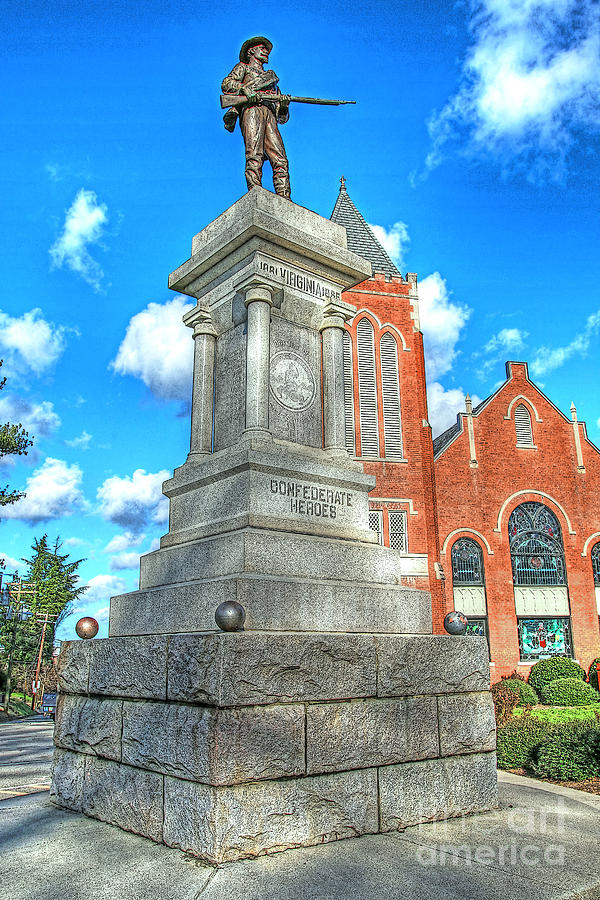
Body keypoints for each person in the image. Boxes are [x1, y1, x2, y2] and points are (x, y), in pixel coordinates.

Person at [221, 36, 291, 198]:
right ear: (251, 51)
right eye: (262, 48)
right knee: (254, 154)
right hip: (252, 110)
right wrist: (245, 89)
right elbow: (226, 84)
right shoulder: (243, 68)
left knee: (280, 158)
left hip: (270, 116)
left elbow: (283, 118)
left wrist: (284, 105)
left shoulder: (272, 80)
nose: (266, 52)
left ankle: (284, 196)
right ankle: (255, 192)